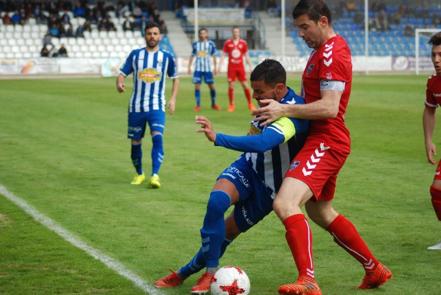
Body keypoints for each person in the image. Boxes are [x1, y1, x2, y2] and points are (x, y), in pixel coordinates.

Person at [253, 1, 392, 294]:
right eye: (298, 28)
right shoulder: (322, 52)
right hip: (322, 139)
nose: (301, 34)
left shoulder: (331, 54)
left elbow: (330, 108)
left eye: (305, 27)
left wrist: (285, 111)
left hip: (327, 139)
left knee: (285, 203)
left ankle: (308, 280)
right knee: (320, 211)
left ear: (323, 22)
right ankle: (374, 269)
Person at [154, 59, 309, 294]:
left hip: (268, 190)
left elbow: (263, 142)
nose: (255, 96)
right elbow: (255, 135)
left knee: (225, 234)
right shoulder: (270, 101)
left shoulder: (293, 111)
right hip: (247, 167)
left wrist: (218, 138)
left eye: (259, 91)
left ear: (278, 88)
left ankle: (184, 272)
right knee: (216, 202)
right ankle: (209, 274)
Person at [116, 21, 179, 189]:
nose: (152, 36)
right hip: (136, 107)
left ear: (160, 36)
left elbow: (175, 79)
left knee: (157, 136)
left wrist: (172, 99)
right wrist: (119, 83)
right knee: (135, 142)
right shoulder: (136, 55)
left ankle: (155, 175)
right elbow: (122, 73)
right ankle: (139, 173)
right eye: (149, 33)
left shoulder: (166, 57)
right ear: (145, 35)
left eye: (155, 33)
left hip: (157, 106)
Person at [423, 31, 441, 251]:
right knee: (437, 190)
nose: (436, 60)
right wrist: (429, 140)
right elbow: (429, 111)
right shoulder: (434, 84)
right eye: (433, 55)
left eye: (440, 55)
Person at [218, 26, 255, 112]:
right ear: (232, 32)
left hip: (240, 67)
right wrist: (219, 66)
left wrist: (250, 67)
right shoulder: (228, 43)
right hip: (231, 67)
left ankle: (250, 104)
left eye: (237, 32)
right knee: (231, 85)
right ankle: (231, 105)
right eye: (234, 32)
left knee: (245, 85)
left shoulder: (243, 43)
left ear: (239, 33)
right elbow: (223, 55)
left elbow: (247, 56)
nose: (236, 33)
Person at [188, 27, 220, 112]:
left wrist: (215, 67)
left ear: (207, 34)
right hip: (198, 69)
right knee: (197, 87)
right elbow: (192, 55)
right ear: (199, 35)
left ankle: (213, 104)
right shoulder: (195, 44)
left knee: (212, 87)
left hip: (208, 69)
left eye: (204, 33)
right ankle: (198, 105)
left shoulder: (210, 44)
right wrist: (189, 67)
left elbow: (213, 55)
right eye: (201, 33)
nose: (202, 35)